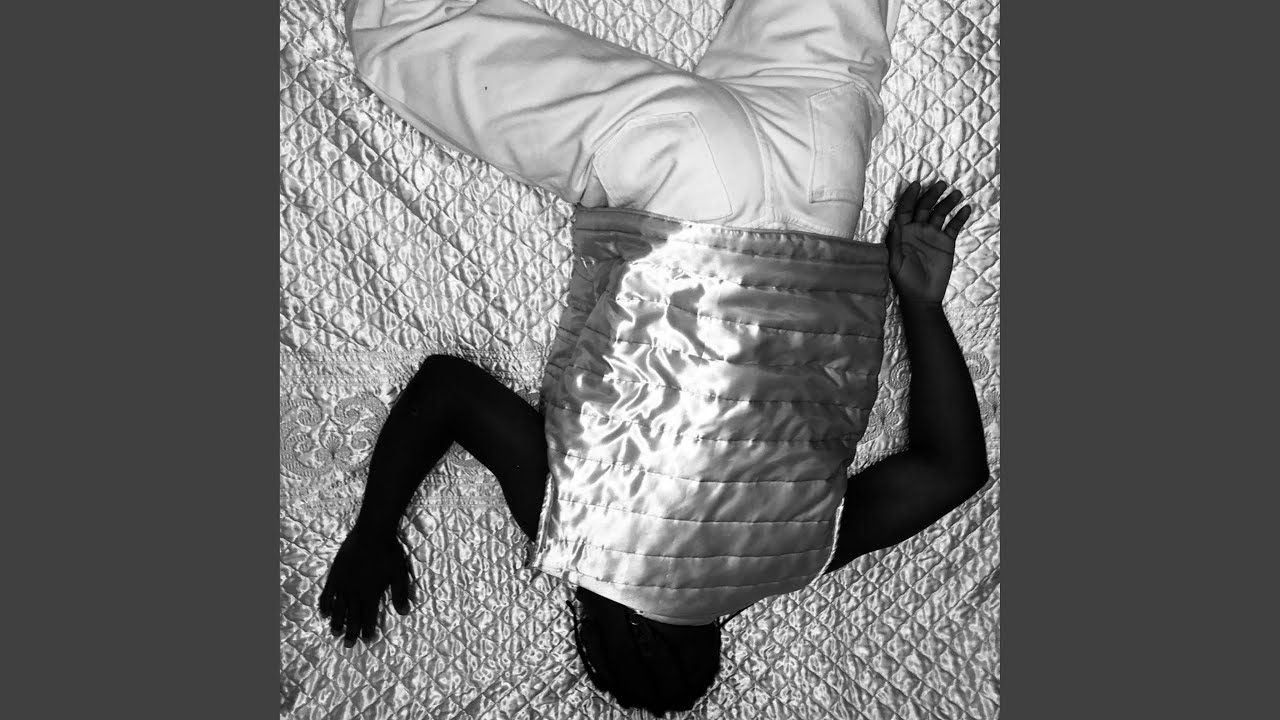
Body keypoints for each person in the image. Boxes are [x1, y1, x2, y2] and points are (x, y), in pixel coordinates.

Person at [320, 0, 989, 715]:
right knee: (407, 38)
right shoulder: (587, 537)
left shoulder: (796, 553)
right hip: (684, 189)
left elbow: (955, 471)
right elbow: (447, 389)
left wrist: (921, 303)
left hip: (820, 171)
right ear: (612, 637)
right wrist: (374, 529)